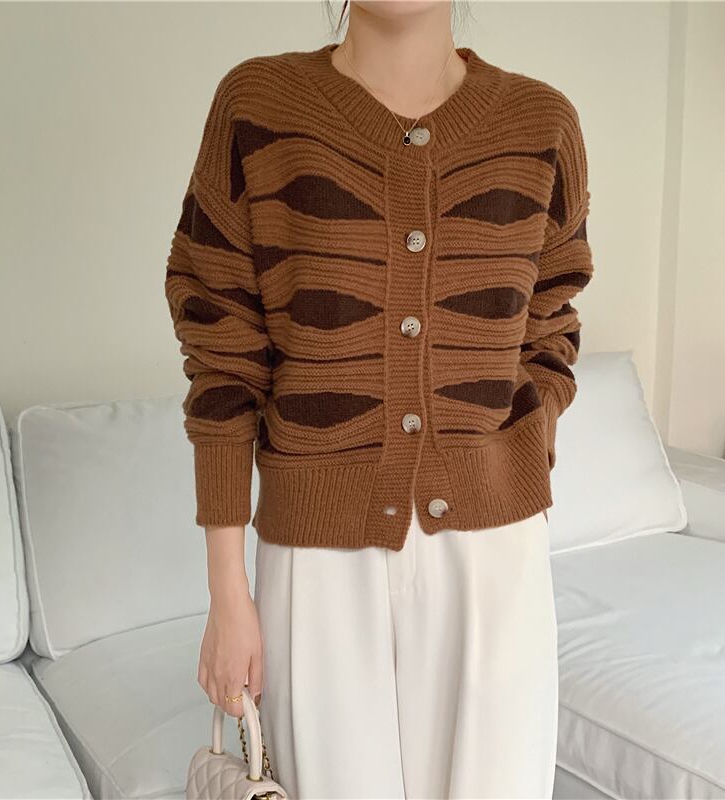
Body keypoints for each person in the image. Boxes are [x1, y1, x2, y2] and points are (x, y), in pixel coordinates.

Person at [164, 1, 594, 797]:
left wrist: (514, 461)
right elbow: (220, 350)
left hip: (495, 558)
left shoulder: (542, 123)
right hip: (318, 560)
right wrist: (228, 592)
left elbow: (552, 324)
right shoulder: (257, 107)